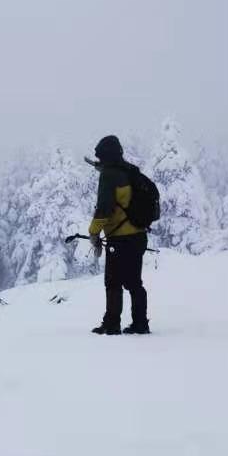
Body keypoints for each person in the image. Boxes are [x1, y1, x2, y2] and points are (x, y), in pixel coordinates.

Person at [88, 135, 150, 335]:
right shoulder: (129, 171)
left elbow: (104, 209)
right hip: (138, 236)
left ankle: (112, 324)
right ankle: (141, 324)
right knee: (134, 283)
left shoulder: (108, 175)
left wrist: (93, 232)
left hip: (120, 239)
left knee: (113, 282)